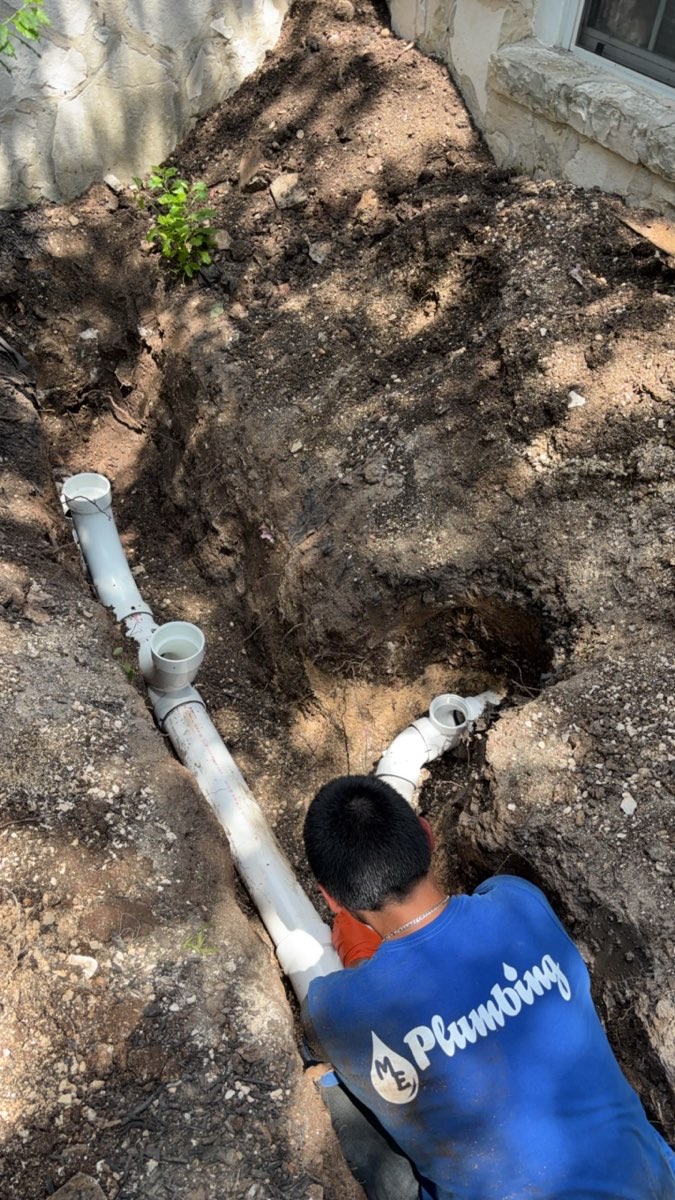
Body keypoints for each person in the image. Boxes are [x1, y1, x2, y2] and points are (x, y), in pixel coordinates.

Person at [302, 774, 675, 1200]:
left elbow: (325, 1037)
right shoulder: (518, 899)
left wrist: (364, 965)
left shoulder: (334, 1008)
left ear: (331, 899)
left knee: (336, 1082)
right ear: (427, 835)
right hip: (652, 1180)